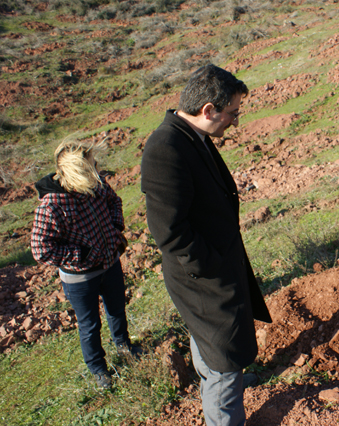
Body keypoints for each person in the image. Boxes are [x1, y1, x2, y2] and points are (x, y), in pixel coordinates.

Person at [140, 64, 272, 426]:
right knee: (222, 356)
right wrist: (212, 265)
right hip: (203, 279)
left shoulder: (190, 136)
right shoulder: (165, 148)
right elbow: (169, 232)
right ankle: (224, 406)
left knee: (213, 344)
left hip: (214, 270)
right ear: (208, 110)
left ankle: (226, 382)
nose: (235, 121)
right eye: (232, 113)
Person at [31, 140, 141, 389]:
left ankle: (124, 347)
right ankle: (99, 370)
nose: (96, 168)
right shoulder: (52, 205)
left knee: (117, 310)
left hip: (110, 263)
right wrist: (79, 255)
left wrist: (115, 227)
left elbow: (115, 201)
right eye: (91, 165)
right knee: (89, 325)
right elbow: (40, 249)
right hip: (80, 278)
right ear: (75, 171)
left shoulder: (97, 185)